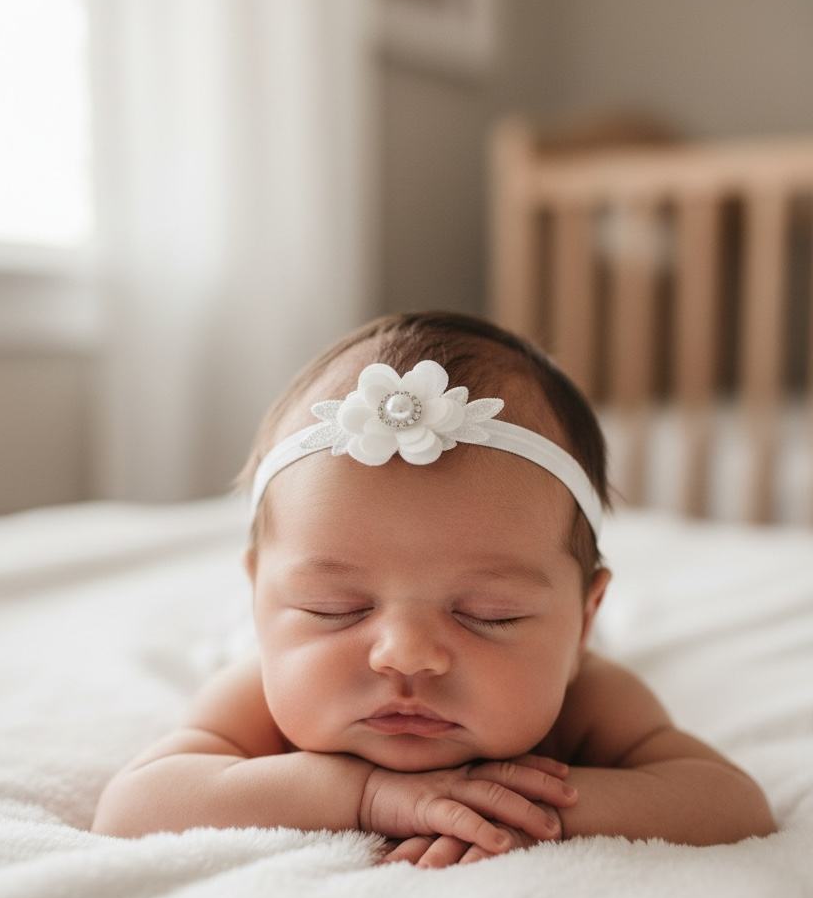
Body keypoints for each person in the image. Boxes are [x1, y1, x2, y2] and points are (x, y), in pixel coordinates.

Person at [91, 312, 776, 862]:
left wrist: (519, 806)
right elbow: (134, 807)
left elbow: (729, 802)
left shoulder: (587, 697)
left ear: (583, 623)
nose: (405, 655)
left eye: (490, 614)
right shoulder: (261, 695)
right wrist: (366, 795)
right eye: (335, 609)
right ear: (261, 605)